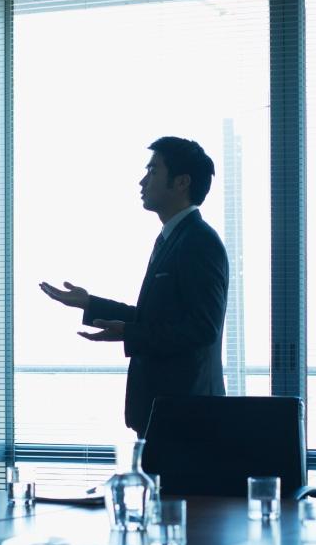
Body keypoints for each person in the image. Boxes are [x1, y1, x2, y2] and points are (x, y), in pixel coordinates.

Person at [41, 136, 229, 437]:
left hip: (186, 414)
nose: (142, 181)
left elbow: (202, 328)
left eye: (153, 171)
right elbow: (156, 318)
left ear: (181, 182)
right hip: (164, 412)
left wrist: (129, 333)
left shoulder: (199, 242)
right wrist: (90, 304)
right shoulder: (172, 238)